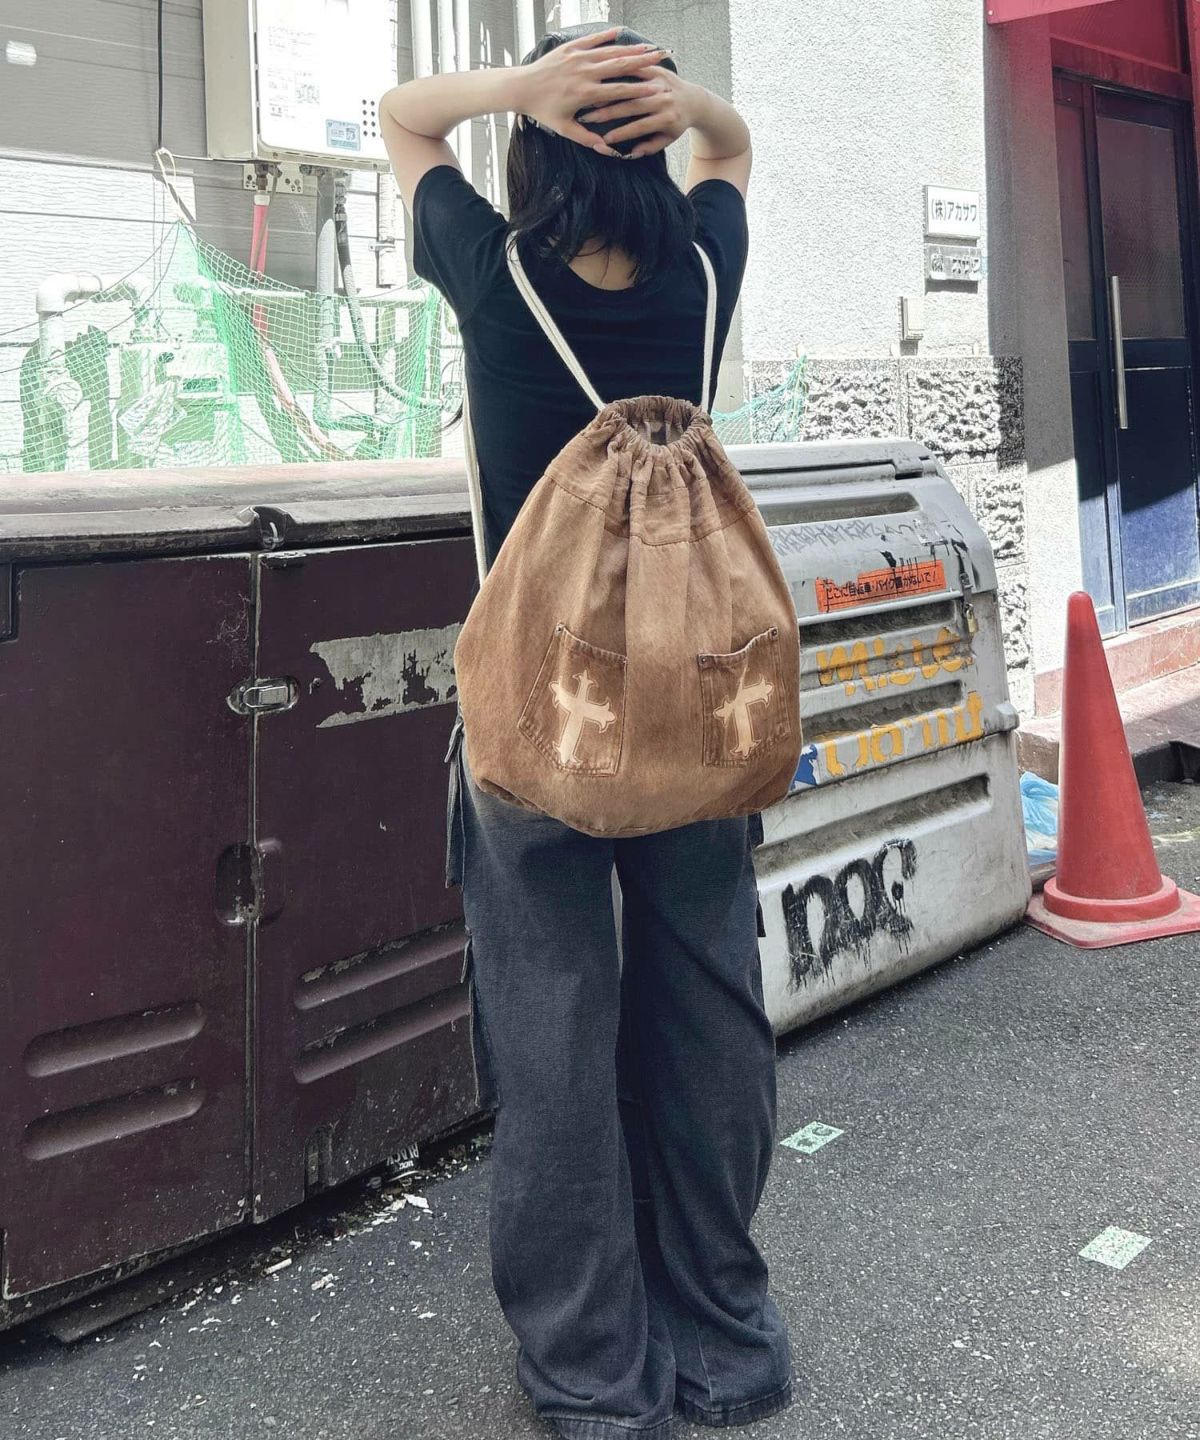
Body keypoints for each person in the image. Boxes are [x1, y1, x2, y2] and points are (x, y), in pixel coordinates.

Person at [380, 24, 793, 1440]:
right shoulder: (703, 276)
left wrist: (520, 90)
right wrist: (684, 103)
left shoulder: (497, 277)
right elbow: (735, 147)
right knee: (710, 1013)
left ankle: (593, 1381)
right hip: (696, 711)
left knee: (553, 1039)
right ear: (655, 146)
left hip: (537, 726)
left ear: (539, 150)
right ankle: (728, 1346)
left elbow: (403, 117)